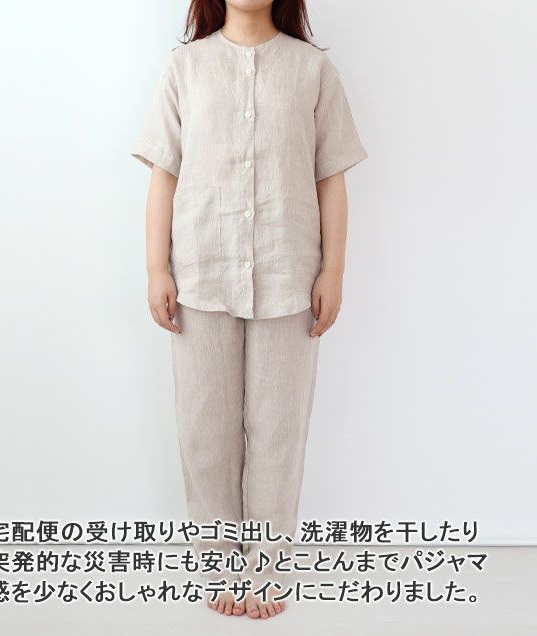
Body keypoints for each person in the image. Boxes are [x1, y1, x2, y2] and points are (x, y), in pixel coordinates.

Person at [131, 0, 368, 620]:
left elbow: (331, 178)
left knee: (278, 435)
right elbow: (164, 175)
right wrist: (157, 268)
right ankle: (218, 565)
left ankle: (265, 570)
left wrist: (334, 269)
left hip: (290, 277)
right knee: (204, 432)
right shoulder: (185, 67)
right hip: (200, 275)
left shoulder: (313, 71)